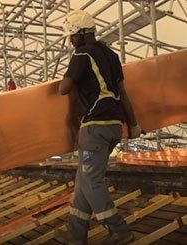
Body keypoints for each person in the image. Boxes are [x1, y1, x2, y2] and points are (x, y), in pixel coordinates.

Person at [58, 10, 142, 244]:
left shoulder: (82, 54)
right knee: (84, 179)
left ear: (83, 34)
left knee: (92, 179)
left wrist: (72, 77)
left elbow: (63, 88)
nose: (71, 41)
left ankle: (119, 229)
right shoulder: (111, 55)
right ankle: (76, 234)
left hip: (95, 126)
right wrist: (133, 124)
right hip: (114, 124)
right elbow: (122, 93)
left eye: (73, 36)